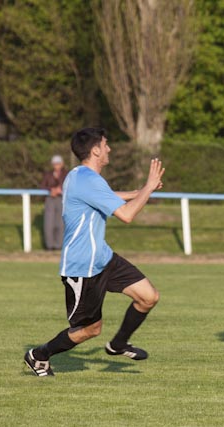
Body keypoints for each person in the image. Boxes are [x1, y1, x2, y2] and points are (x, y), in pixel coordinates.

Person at [25, 127, 165, 376]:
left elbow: (104, 196)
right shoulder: (88, 179)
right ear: (96, 150)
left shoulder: (79, 175)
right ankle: (39, 355)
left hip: (103, 258)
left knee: (148, 296)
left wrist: (139, 192)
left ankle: (118, 344)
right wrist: (148, 187)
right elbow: (127, 215)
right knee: (90, 330)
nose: (109, 148)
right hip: (82, 267)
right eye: (105, 144)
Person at [41, 155, 68, 250]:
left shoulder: (66, 174)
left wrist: (60, 189)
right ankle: (49, 245)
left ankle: (58, 245)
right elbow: (42, 186)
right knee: (48, 223)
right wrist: (51, 190)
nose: (56, 165)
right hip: (50, 199)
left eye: (58, 163)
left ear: (62, 164)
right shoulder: (48, 174)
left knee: (60, 223)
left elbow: (68, 185)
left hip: (62, 199)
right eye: (55, 164)